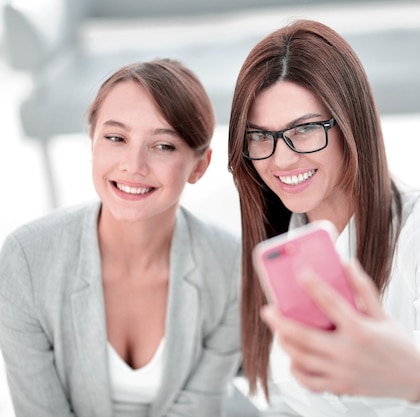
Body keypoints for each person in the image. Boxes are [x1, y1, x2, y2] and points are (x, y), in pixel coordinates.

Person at [227, 19, 420, 416]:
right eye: (259, 137)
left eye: (305, 129)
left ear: (350, 123)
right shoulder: (270, 254)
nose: (281, 158)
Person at [0, 59, 241, 417]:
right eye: (116, 138)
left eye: (163, 146)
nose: (134, 165)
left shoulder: (230, 264)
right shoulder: (26, 262)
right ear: (92, 142)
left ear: (199, 166)